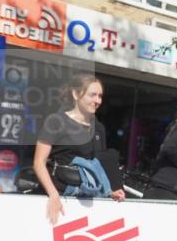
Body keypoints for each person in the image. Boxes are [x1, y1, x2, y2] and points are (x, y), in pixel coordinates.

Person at [33, 75, 125, 225]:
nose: (97, 101)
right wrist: (53, 195)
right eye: (92, 95)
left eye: (100, 96)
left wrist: (109, 192)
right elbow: (39, 162)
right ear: (76, 94)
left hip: (87, 202)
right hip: (60, 197)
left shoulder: (99, 128)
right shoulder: (56, 121)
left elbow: (95, 167)